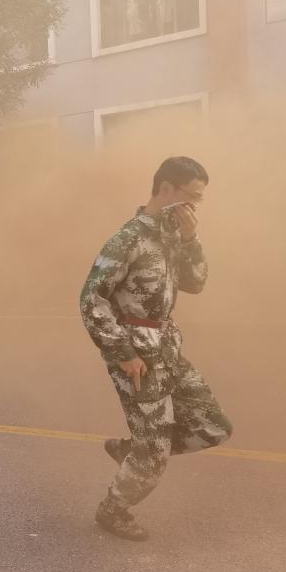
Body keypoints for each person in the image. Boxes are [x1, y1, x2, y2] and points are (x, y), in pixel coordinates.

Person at [79, 156, 233, 541]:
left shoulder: (172, 236)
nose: (195, 205)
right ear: (166, 189)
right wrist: (122, 353)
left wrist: (191, 240)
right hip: (137, 358)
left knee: (213, 426)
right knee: (154, 456)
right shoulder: (128, 239)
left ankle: (136, 451)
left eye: (200, 199)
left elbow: (195, 283)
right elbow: (91, 298)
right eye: (191, 196)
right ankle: (113, 510)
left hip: (167, 349)